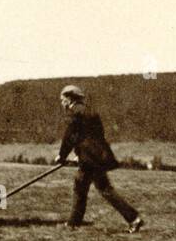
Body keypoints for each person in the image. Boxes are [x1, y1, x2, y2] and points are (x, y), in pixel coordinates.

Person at [54, 84, 143, 232]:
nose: (62, 103)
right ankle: (74, 223)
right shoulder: (90, 111)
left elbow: (70, 137)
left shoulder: (74, 112)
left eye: (63, 100)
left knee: (93, 188)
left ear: (70, 99)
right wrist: (80, 154)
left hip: (90, 159)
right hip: (96, 157)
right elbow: (94, 137)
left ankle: (133, 219)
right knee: (90, 187)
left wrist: (61, 156)